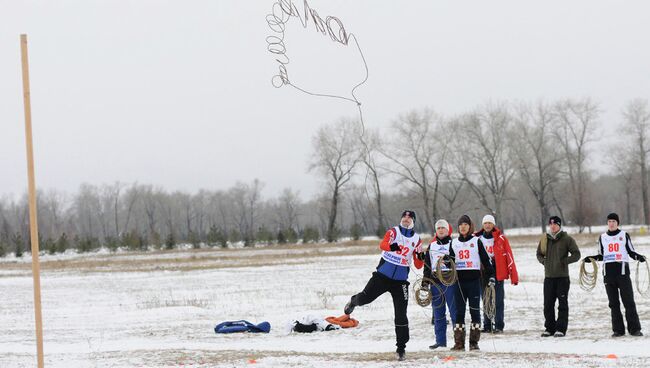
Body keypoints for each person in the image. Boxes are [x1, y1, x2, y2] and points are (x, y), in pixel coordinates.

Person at [343, 210, 424, 361]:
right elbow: (383, 244)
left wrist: (421, 257)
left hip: (400, 282)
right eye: (404, 217)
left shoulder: (417, 240)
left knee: (401, 314)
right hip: (382, 277)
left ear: (413, 221)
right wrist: (391, 247)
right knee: (364, 299)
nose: (406, 220)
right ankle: (353, 301)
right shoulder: (393, 232)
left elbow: (419, 265)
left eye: (409, 218)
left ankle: (401, 349)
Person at [583, 213, 646, 337]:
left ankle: (634, 329)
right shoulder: (603, 237)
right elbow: (601, 255)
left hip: (622, 274)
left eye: (613, 221)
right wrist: (591, 258)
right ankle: (618, 330)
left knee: (628, 302)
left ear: (617, 223)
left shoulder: (624, 235)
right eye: (609, 221)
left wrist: (638, 257)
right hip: (608, 274)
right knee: (613, 304)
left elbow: (630, 251)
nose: (611, 223)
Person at [448, 215, 494, 351]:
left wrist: (491, 275)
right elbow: (450, 261)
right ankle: (459, 343)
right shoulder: (454, 242)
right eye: (460, 224)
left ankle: (474, 343)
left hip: (474, 282)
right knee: (459, 313)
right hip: (459, 283)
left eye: (465, 224)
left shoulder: (476, 241)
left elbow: (486, 261)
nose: (463, 227)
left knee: (475, 312)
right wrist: (446, 261)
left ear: (470, 226)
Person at [536, 216, 581, 337]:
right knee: (548, 305)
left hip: (562, 278)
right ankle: (549, 328)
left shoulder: (567, 239)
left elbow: (577, 254)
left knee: (562, 304)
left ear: (559, 225)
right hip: (549, 277)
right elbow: (538, 254)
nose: (552, 226)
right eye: (550, 224)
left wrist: (565, 261)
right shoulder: (545, 239)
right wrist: (544, 262)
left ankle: (560, 329)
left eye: (555, 224)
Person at [476, 215, 518, 333]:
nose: (488, 225)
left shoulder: (501, 238)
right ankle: (487, 325)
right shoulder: (477, 238)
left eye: (490, 223)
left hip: (498, 271)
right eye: (485, 223)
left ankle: (499, 325)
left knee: (498, 300)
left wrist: (513, 276)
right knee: (485, 299)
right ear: (483, 225)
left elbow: (509, 256)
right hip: (483, 272)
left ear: (493, 224)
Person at [422, 219, 457, 349]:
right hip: (435, 283)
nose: (441, 230)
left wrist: (449, 261)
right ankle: (440, 341)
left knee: (454, 313)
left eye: (443, 228)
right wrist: (425, 283)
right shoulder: (432, 246)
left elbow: (456, 261)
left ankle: (458, 341)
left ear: (448, 230)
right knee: (438, 313)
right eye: (438, 228)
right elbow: (427, 266)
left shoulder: (454, 244)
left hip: (450, 282)